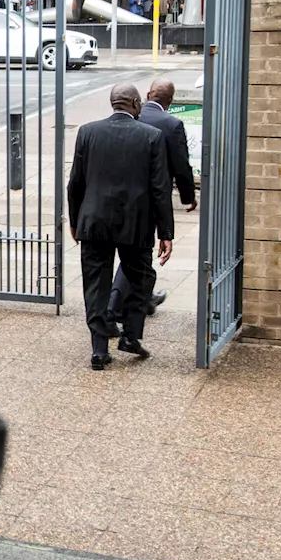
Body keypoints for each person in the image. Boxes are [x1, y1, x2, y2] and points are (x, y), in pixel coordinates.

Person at [67, 84, 174, 368]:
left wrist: (75, 221)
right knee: (142, 280)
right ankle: (130, 335)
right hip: (136, 224)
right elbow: (160, 189)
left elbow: (75, 182)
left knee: (96, 286)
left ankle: (99, 350)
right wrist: (166, 233)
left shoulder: (88, 132)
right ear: (136, 104)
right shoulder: (152, 137)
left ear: (113, 103)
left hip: (94, 222)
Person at [107, 76, 197, 323]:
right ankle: (115, 309)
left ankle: (143, 299)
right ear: (170, 101)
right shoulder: (171, 124)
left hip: (118, 197)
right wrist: (188, 197)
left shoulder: (132, 115)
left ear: (147, 95)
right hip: (149, 202)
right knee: (136, 255)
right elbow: (181, 166)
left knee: (135, 256)